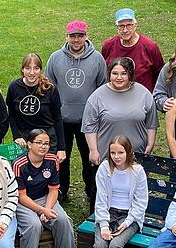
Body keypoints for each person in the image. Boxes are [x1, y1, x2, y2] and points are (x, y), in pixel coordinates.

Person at [84, 135, 148, 248]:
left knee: (115, 246)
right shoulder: (104, 168)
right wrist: (103, 225)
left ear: (129, 152)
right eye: (113, 153)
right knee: (99, 246)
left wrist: (127, 222)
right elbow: (101, 199)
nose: (117, 156)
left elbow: (141, 202)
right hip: (108, 214)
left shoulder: (137, 172)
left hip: (130, 217)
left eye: (120, 152)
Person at [82, 56, 158, 212]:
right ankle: (97, 219)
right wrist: (93, 150)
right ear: (109, 74)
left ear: (130, 74)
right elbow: (89, 126)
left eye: (123, 73)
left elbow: (151, 122)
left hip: (136, 154)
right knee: (102, 191)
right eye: (114, 73)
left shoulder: (143, 93)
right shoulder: (97, 96)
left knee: (132, 190)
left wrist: (150, 144)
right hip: (106, 156)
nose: (119, 77)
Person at [45, 19, 107, 202]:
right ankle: (61, 191)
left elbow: (102, 87)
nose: (77, 40)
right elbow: (49, 86)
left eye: (80, 36)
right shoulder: (55, 58)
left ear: (86, 36)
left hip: (88, 121)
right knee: (61, 159)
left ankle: (91, 190)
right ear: (67, 37)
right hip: (61, 119)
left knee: (90, 157)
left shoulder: (97, 59)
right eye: (73, 36)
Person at [12, 129, 75, 248]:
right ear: (29, 144)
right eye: (39, 143)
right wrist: (41, 210)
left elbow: (54, 190)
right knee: (33, 226)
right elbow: (21, 196)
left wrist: (47, 209)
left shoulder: (52, 160)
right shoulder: (19, 164)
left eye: (46, 143)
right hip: (24, 203)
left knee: (64, 221)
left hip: (46, 199)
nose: (43, 146)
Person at [6, 53, 66, 163]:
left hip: (46, 138)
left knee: (47, 174)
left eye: (36, 68)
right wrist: (16, 136)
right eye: (28, 68)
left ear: (40, 70)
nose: (32, 72)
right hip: (24, 139)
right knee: (23, 173)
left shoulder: (49, 88)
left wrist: (61, 148)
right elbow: (11, 114)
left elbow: (58, 118)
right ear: (22, 69)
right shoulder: (14, 87)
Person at [101, 8, 164, 93]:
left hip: (141, 97)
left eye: (129, 25)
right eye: (121, 26)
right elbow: (104, 71)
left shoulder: (150, 47)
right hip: (114, 95)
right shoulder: (108, 45)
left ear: (135, 25)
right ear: (117, 27)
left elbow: (160, 74)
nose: (125, 30)